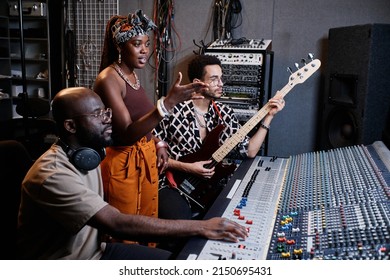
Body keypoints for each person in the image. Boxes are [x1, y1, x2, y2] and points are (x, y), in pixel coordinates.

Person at [16, 87, 248, 260]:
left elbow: (134, 133)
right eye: (98, 115)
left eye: (107, 111)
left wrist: (158, 142)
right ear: (70, 126)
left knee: (177, 262)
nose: (109, 119)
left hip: (98, 252)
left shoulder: (91, 150)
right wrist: (203, 226)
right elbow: (116, 223)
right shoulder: (52, 174)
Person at [93, 9, 208, 243]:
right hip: (123, 165)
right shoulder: (108, 79)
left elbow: (141, 120)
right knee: (125, 234)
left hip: (144, 160)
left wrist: (159, 142)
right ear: (120, 47)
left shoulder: (132, 77)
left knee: (146, 227)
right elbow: (126, 133)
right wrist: (168, 103)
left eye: (147, 44)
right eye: (137, 44)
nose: (145, 50)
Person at [154, 54, 286, 221]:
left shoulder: (225, 113)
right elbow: (151, 154)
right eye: (214, 79)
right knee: (180, 222)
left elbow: (250, 150)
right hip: (174, 185)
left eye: (221, 78)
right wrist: (187, 167)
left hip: (212, 186)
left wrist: (269, 116)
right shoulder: (172, 109)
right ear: (197, 82)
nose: (221, 84)